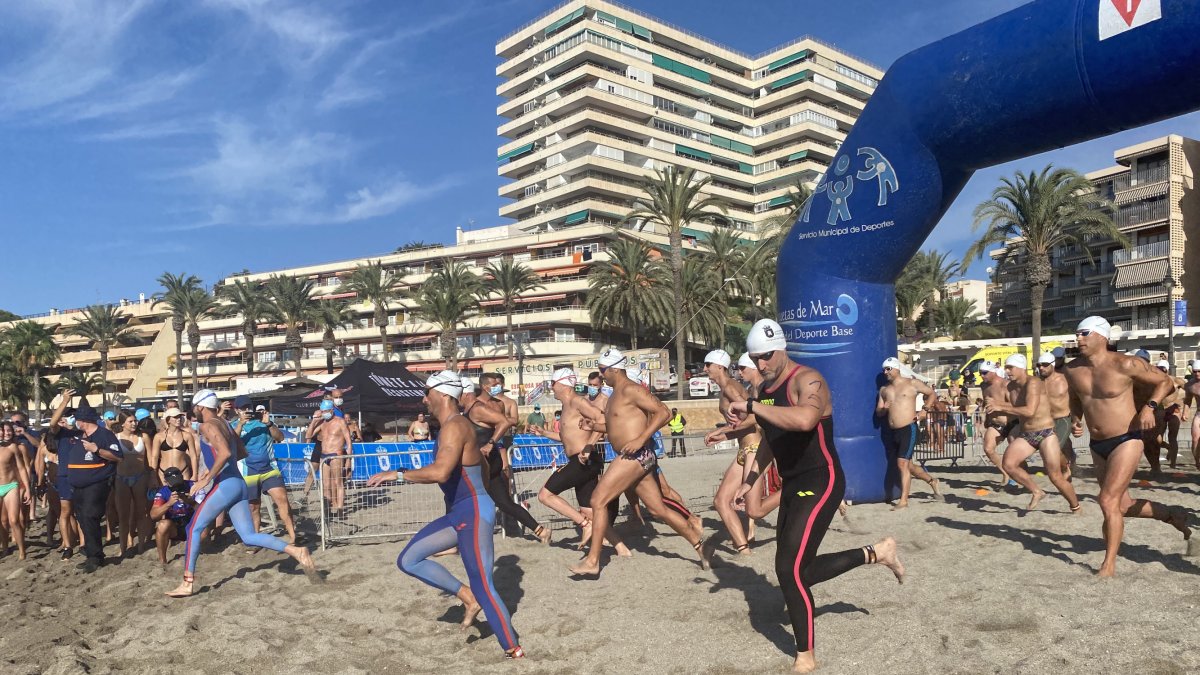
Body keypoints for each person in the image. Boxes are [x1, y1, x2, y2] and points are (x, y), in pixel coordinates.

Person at [729, 320, 903, 673]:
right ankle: (876, 553)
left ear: (781, 348)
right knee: (797, 571)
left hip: (822, 481)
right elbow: (770, 439)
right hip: (792, 484)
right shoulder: (764, 389)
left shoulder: (808, 380)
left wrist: (752, 407)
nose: (760, 365)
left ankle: (805, 656)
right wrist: (750, 479)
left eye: (765, 357)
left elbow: (806, 420)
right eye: (754, 358)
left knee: (788, 569)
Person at [366, 371, 524, 659]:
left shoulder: (455, 427)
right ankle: (467, 597)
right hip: (461, 512)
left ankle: (513, 649)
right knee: (409, 559)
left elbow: (440, 472)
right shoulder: (450, 427)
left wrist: (397, 474)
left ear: (442, 394)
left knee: (484, 584)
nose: (424, 399)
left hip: (472, 512)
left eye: (427, 392)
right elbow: (483, 469)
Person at [1064, 316, 1191, 577]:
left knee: (1107, 500)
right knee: (1121, 505)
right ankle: (1170, 514)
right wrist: (1076, 419)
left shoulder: (1125, 363)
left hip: (1127, 439)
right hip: (1098, 444)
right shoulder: (1072, 369)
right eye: (1077, 334)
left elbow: (1165, 382)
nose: (1079, 339)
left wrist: (1149, 407)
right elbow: (1076, 399)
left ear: (1102, 336)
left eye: (1085, 333)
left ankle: (1108, 566)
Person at [568, 348, 710, 577]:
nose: (601, 375)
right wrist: (594, 427)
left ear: (615, 369)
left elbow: (663, 412)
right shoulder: (616, 394)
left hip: (635, 455)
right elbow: (616, 426)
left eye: (604, 370)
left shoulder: (631, 390)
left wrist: (641, 438)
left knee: (598, 500)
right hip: (633, 456)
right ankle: (700, 544)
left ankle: (593, 560)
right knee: (657, 509)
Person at [166, 390, 317, 597]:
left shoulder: (207, 425)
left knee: (193, 527)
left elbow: (226, 453)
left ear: (200, 407)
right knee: (249, 535)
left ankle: (187, 582)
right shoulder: (225, 424)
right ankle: (296, 551)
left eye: (194, 408)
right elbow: (240, 452)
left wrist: (206, 479)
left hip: (226, 483)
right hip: (238, 482)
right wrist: (213, 466)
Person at [532, 368, 630, 554]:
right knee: (590, 512)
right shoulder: (567, 406)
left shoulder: (577, 401)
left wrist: (589, 445)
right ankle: (622, 548)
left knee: (545, 495)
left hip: (584, 460)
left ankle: (585, 526)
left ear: (562, 384)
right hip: (581, 460)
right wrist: (544, 433)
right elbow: (567, 437)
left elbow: (602, 419)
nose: (551, 388)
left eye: (552, 384)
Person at [985, 355, 1081, 513]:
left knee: (1054, 476)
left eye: (1010, 367)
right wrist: (995, 407)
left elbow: (1029, 410)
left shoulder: (1034, 382)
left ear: (1022, 368)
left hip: (1046, 432)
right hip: (1027, 434)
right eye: (1006, 368)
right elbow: (1015, 407)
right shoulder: (1010, 387)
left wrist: (1000, 406)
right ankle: (1037, 491)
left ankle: (1075, 507)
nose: (1007, 371)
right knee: (1008, 464)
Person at [466, 373, 550, 544]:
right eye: (495, 383)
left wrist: (491, 443)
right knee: (500, 502)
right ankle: (540, 530)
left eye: (499, 383)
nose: (498, 386)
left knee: (472, 497)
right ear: (484, 386)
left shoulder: (498, 404)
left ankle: (462, 537)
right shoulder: (475, 405)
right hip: (480, 456)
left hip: (489, 456)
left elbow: (504, 424)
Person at [701, 349, 757, 554]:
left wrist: (723, 429)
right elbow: (741, 425)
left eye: (708, 364)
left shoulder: (731, 388)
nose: (705, 368)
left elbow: (755, 418)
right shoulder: (726, 389)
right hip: (745, 448)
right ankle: (743, 548)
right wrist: (722, 436)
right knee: (721, 501)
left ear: (719, 366)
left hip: (753, 448)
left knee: (751, 507)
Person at [66, 398, 124, 572]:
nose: (74, 422)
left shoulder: (104, 435)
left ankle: (95, 556)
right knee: (82, 517)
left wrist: (97, 450)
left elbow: (118, 457)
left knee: (91, 515)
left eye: (76, 419)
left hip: (97, 482)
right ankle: (91, 552)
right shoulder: (78, 436)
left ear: (84, 421)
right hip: (78, 485)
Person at [876, 357, 941, 509]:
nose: (885, 372)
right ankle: (932, 481)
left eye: (888, 369)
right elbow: (878, 413)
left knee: (902, 463)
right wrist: (883, 408)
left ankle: (904, 501)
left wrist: (925, 410)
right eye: (884, 370)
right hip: (893, 432)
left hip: (908, 428)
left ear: (896, 369)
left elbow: (931, 394)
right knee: (909, 466)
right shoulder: (884, 390)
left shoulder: (912, 383)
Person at [235, 399, 296, 544]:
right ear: (237, 410)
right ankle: (256, 539)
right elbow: (231, 441)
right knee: (253, 507)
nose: (247, 411)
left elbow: (280, 438)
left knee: (282, 500)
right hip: (248, 470)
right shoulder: (233, 426)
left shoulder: (263, 422)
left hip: (269, 468)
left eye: (249, 407)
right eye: (243, 408)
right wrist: (240, 424)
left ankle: (293, 536)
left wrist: (268, 423)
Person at [39, 391, 83, 559]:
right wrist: (65, 401)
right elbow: (53, 422)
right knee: (65, 512)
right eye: (65, 417)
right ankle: (68, 545)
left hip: (82, 477)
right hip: (64, 477)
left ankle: (84, 543)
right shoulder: (61, 434)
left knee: (81, 513)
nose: (66, 419)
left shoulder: (82, 432)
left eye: (70, 416)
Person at [113, 413, 153, 556]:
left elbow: (151, 457)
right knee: (123, 516)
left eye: (135, 420)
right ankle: (123, 547)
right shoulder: (115, 437)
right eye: (130, 421)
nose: (134, 423)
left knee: (141, 512)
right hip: (121, 477)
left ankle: (141, 544)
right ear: (123, 423)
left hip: (140, 476)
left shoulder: (143, 437)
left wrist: (152, 476)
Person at [306, 399, 353, 515]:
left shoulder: (340, 421)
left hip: (336, 454)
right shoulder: (322, 423)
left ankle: (340, 509)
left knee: (338, 482)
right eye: (322, 411)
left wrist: (348, 457)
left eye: (325, 411)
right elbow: (308, 435)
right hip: (324, 455)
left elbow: (348, 439)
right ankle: (327, 510)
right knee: (325, 484)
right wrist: (313, 421)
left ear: (331, 411)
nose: (323, 413)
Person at [1036, 352, 1076, 480]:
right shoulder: (1037, 382)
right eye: (1039, 365)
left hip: (1063, 418)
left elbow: (1077, 399)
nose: (1041, 368)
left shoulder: (1065, 379)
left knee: (1054, 448)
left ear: (1053, 365)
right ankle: (1071, 460)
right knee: (1062, 446)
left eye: (1045, 365)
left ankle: (1066, 470)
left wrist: (1077, 419)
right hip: (1046, 420)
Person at [979, 361, 1017, 487]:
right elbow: (986, 402)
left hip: (1012, 422)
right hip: (996, 424)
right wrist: (985, 419)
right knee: (988, 449)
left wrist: (998, 405)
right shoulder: (983, 386)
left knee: (1014, 453)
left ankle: (1019, 477)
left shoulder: (1006, 385)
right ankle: (1006, 473)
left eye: (984, 373)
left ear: (993, 372)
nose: (982, 376)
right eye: (980, 373)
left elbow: (1016, 405)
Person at [149, 467, 196, 566]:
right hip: (175, 526)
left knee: (206, 521)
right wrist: (168, 504)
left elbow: (206, 508)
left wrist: (189, 501)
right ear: (166, 482)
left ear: (182, 477)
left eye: (178, 481)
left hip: (193, 524)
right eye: (173, 482)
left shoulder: (193, 486)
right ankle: (162, 560)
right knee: (162, 524)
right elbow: (153, 515)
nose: (176, 485)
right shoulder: (163, 492)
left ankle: (204, 548)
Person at [0, 421, 33, 560]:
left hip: (11, 485)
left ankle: (21, 550)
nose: (3, 433)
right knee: (2, 520)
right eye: (2, 430)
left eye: (6, 430)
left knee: (14, 520)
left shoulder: (13, 447)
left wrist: (27, 488)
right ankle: (6, 548)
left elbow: (21, 468)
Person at [1153, 360, 1187, 469]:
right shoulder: (1154, 382)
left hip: (1173, 409)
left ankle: (1173, 464)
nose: (1161, 371)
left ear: (1167, 369)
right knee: (1157, 438)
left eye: (1163, 368)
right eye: (1158, 368)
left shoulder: (1176, 380)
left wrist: (1183, 404)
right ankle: (1168, 447)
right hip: (1160, 410)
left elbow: (1190, 390)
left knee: (1172, 437)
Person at [150, 408, 199, 483]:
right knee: (166, 494)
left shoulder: (187, 436)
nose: (178, 419)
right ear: (168, 420)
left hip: (183, 471)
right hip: (164, 472)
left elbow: (193, 456)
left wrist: (195, 474)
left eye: (180, 417)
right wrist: (153, 476)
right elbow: (155, 457)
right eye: (175, 417)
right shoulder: (159, 436)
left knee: (185, 494)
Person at [1185, 360, 1200, 469]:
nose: (1197, 373)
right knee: (1195, 439)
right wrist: (1185, 412)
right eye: (1195, 371)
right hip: (1199, 414)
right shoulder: (1190, 385)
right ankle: (1197, 462)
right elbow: (1188, 400)